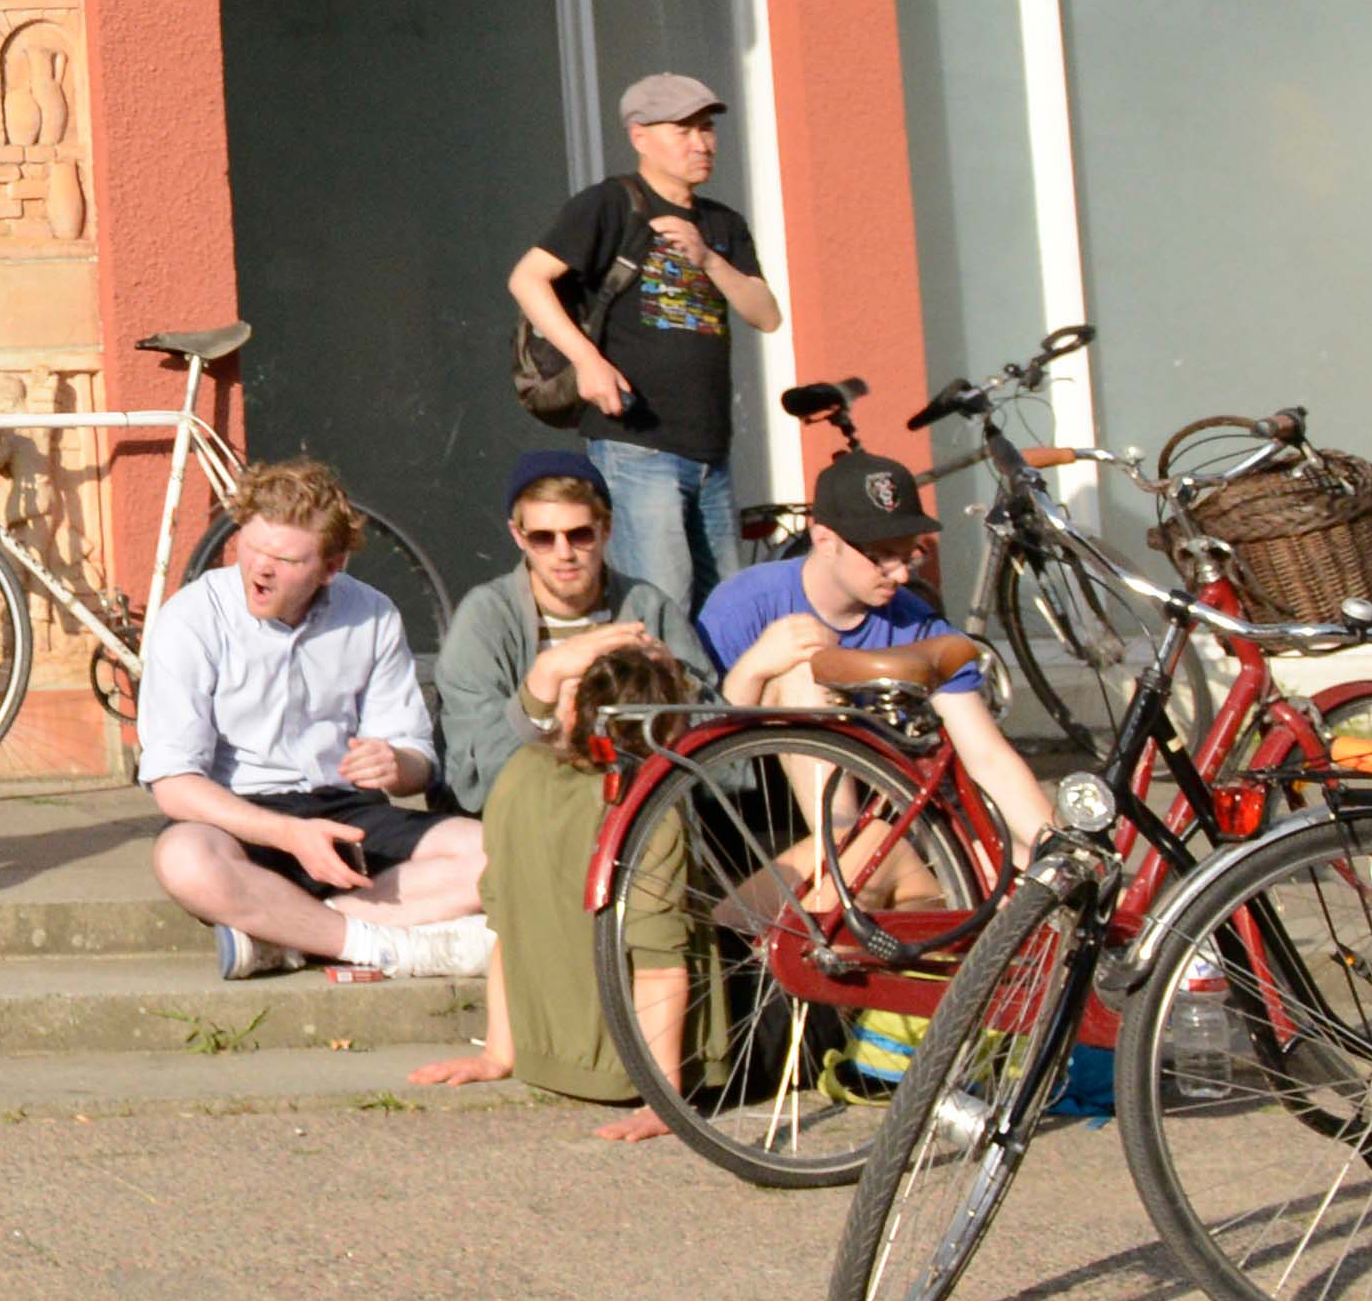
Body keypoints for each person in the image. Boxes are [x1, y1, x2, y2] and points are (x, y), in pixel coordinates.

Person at [138, 462, 498, 983]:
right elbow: (173, 786)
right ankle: (381, 945)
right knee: (182, 858)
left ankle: (286, 937)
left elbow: (416, 761)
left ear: (331, 566)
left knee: (496, 853)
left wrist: (395, 762)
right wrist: (288, 834)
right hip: (243, 818)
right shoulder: (192, 617)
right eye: (251, 546)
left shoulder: (371, 613)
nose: (260, 568)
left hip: (346, 812)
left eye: (284, 559)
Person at [411, 449, 691, 1111]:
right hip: (534, 821)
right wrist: (542, 684)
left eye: (579, 535)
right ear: (518, 537)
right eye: (543, 537)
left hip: (639, 813)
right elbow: (477, 780)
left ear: (606, 530)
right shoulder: (488, 617)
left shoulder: (645, 605)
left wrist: (665, 683)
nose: (563, 553)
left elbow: (705, 736)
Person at [510, 68, 780, 635]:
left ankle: (725, 724)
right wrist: (588, 361)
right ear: (640, 136)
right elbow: (528, 279)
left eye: (706, 129)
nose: (701, 143)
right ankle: (657, 723)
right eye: (682, 130)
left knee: (727, 612)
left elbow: (766, 313)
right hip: (637, 445)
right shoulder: (612, 204)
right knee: (661, 606)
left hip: (711, 451)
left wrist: (709, 259)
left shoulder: (722, 224)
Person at [699, 445, 1047, 842]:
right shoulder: (743, 603)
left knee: (1022, 861)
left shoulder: (918, 623)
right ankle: (845, 855)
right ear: (826, 540)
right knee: (802, 675)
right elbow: (707, 747)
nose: (900, 575)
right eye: (881, 557)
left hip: (885, 817)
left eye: (909, 555)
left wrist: (1062, 848)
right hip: (758, 822)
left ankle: (857, 860)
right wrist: (755, 667)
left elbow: (988, 757)